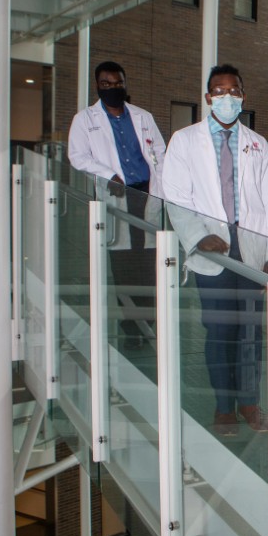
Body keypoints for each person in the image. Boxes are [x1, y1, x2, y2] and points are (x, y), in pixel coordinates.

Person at [162, 65, 268, 438]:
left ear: (243, 96)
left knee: (250, 332)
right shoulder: (184, 141)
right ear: (207, 98)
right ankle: (223, 407)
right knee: (219, 331)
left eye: (234, 91)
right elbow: (176, 196)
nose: (227, 97)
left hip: (251, 251)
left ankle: (249, 402)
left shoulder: (257, 143)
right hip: (211, 252)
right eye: (219, 91)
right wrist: (198, 237)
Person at [67, 61, 166, 349]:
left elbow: (159, 151)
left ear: (125, 83)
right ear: (97, 86)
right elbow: (77, 156)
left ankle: (151, 323)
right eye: (106, 84)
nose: (113, 87)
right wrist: (107, 174)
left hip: (147, 195)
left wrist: (159, 182)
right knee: (124, 264)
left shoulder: (142, 117)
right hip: (116, 195)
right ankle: (131, 326)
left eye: (118, 82)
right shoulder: (85, 119)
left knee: (150, 261)